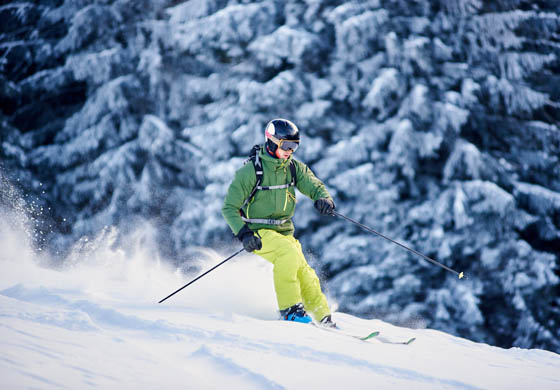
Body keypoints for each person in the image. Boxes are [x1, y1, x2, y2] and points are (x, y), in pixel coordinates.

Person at [222, 118, 337, 327]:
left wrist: (324, 198)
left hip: (284, 233)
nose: (290, 151)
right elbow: (229, 207)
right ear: (272, 141)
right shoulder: (251, 171)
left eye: (295, 146)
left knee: (305, 272)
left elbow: (313, 184)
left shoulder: (292, 168)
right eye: (286, 145)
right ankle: (290, 310)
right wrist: (244, 234)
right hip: (258, 233)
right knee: (288, 254)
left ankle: (323, 316)